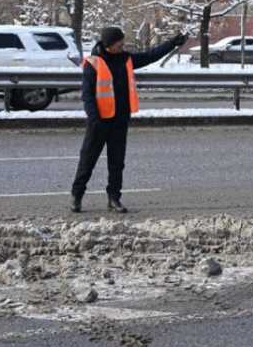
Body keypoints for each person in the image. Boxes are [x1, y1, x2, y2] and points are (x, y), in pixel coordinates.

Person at [69, 26, 188, 213]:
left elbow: (150, 56)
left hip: (120, 120)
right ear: (109, 45)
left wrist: (172, 43)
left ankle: (114, 199)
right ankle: (77, 197)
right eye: (119, 43)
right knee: (87, 161)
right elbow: (87, 95)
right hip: (99, 122)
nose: (122, 46)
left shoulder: (126, 59)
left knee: (117, 163)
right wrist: (94, 118)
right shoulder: (93, 63)